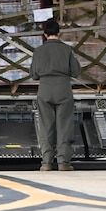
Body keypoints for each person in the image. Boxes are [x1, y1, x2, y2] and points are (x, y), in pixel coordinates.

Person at [29, 17, 81, 170]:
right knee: (64, 126)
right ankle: (63, 162)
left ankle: (46, 162)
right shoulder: (67, 50)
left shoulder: (38, 51)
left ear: (45, 35)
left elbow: (33, 75)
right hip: (63, 89)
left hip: (44, 90)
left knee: (46, 126)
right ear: (59, 33)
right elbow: (76, 71)